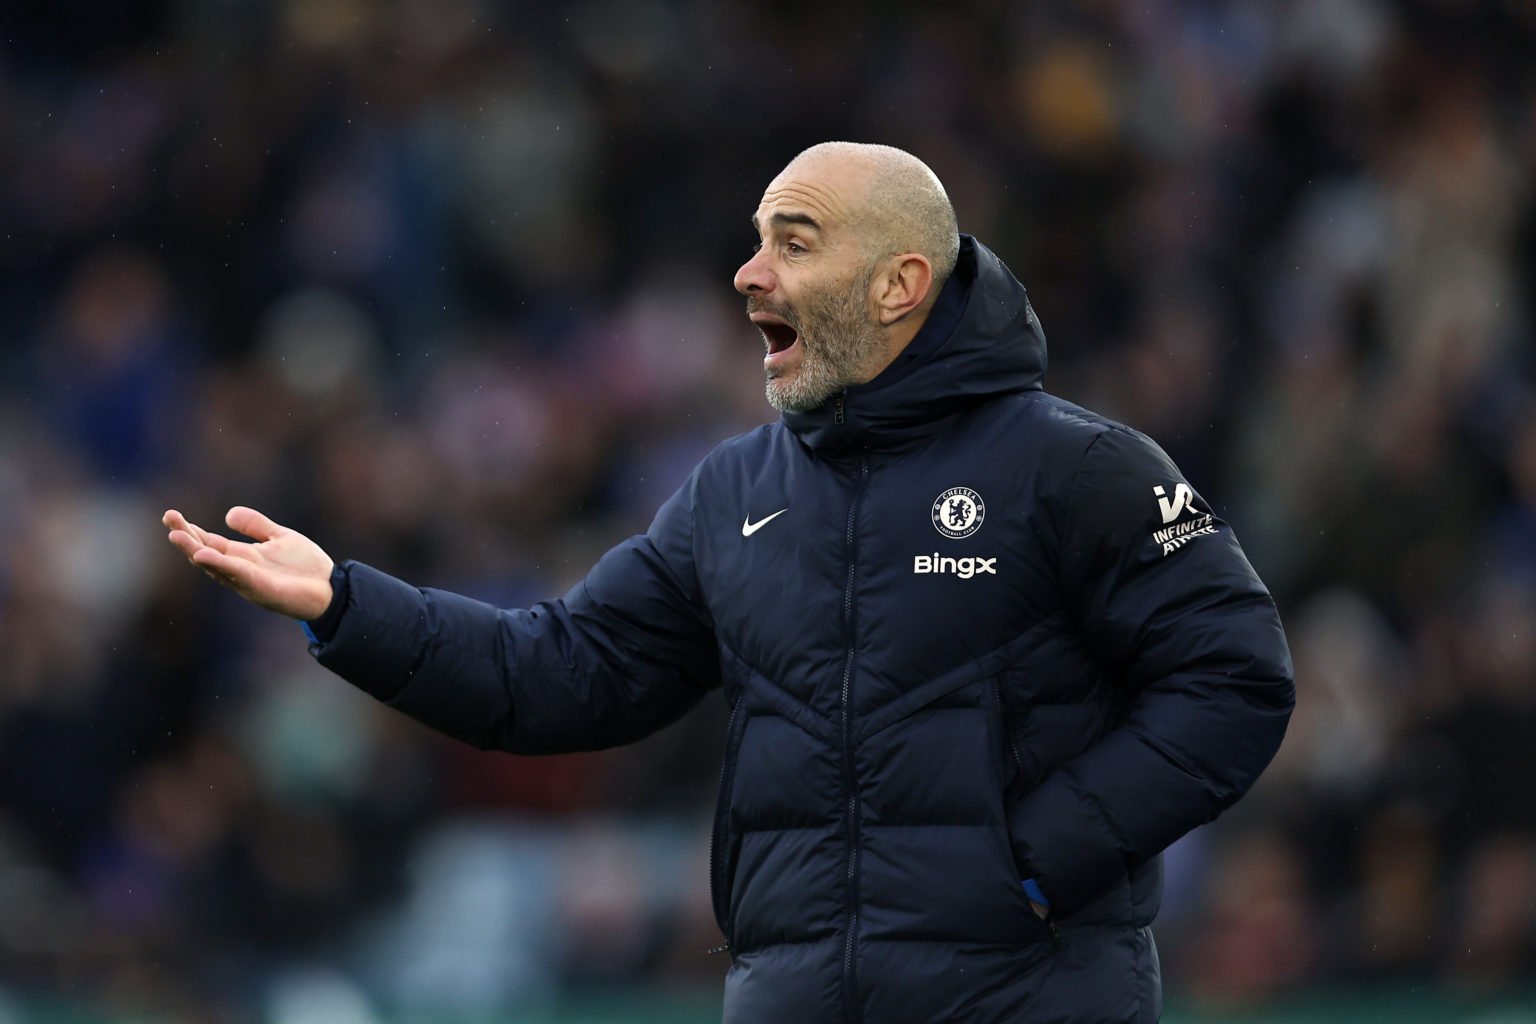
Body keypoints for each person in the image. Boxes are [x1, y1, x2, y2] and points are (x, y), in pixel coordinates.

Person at [164, 142, 1294, 1023]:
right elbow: (559, 674)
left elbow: (1235, 681)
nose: (750, 272)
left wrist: (1037, 865)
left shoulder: (1082, 468)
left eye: (793, 243)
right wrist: (348, 603)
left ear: (901, 281)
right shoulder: (731, 493)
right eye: (757, 241)